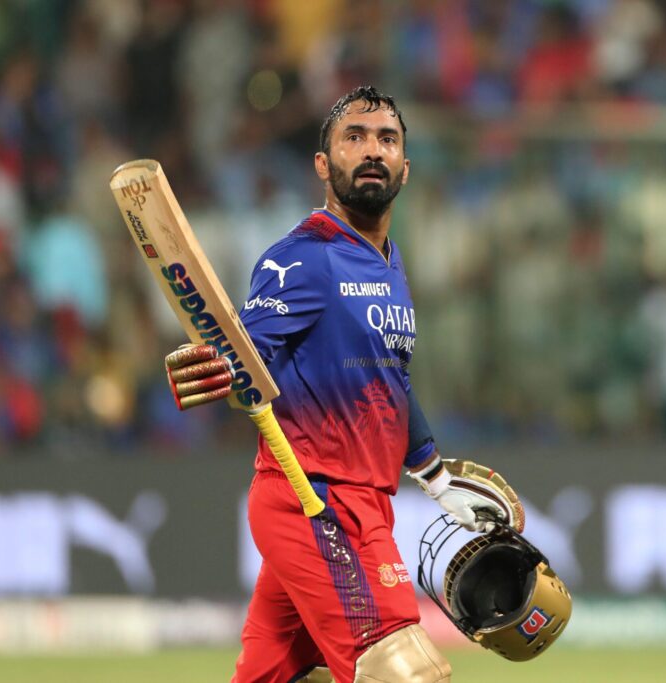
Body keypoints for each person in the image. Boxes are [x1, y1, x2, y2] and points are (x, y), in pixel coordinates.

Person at [165, 86, 515, 682]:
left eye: (387, 139)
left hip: (362, 504)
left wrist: (434, 477)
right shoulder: (305, 257)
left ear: (405, 165)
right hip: (316, 501)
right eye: (354, 138)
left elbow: (391, 382)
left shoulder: (389, 261)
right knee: (408, 674)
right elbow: (248, 352)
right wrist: (222, 366)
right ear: (323, 166)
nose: (372, 150)